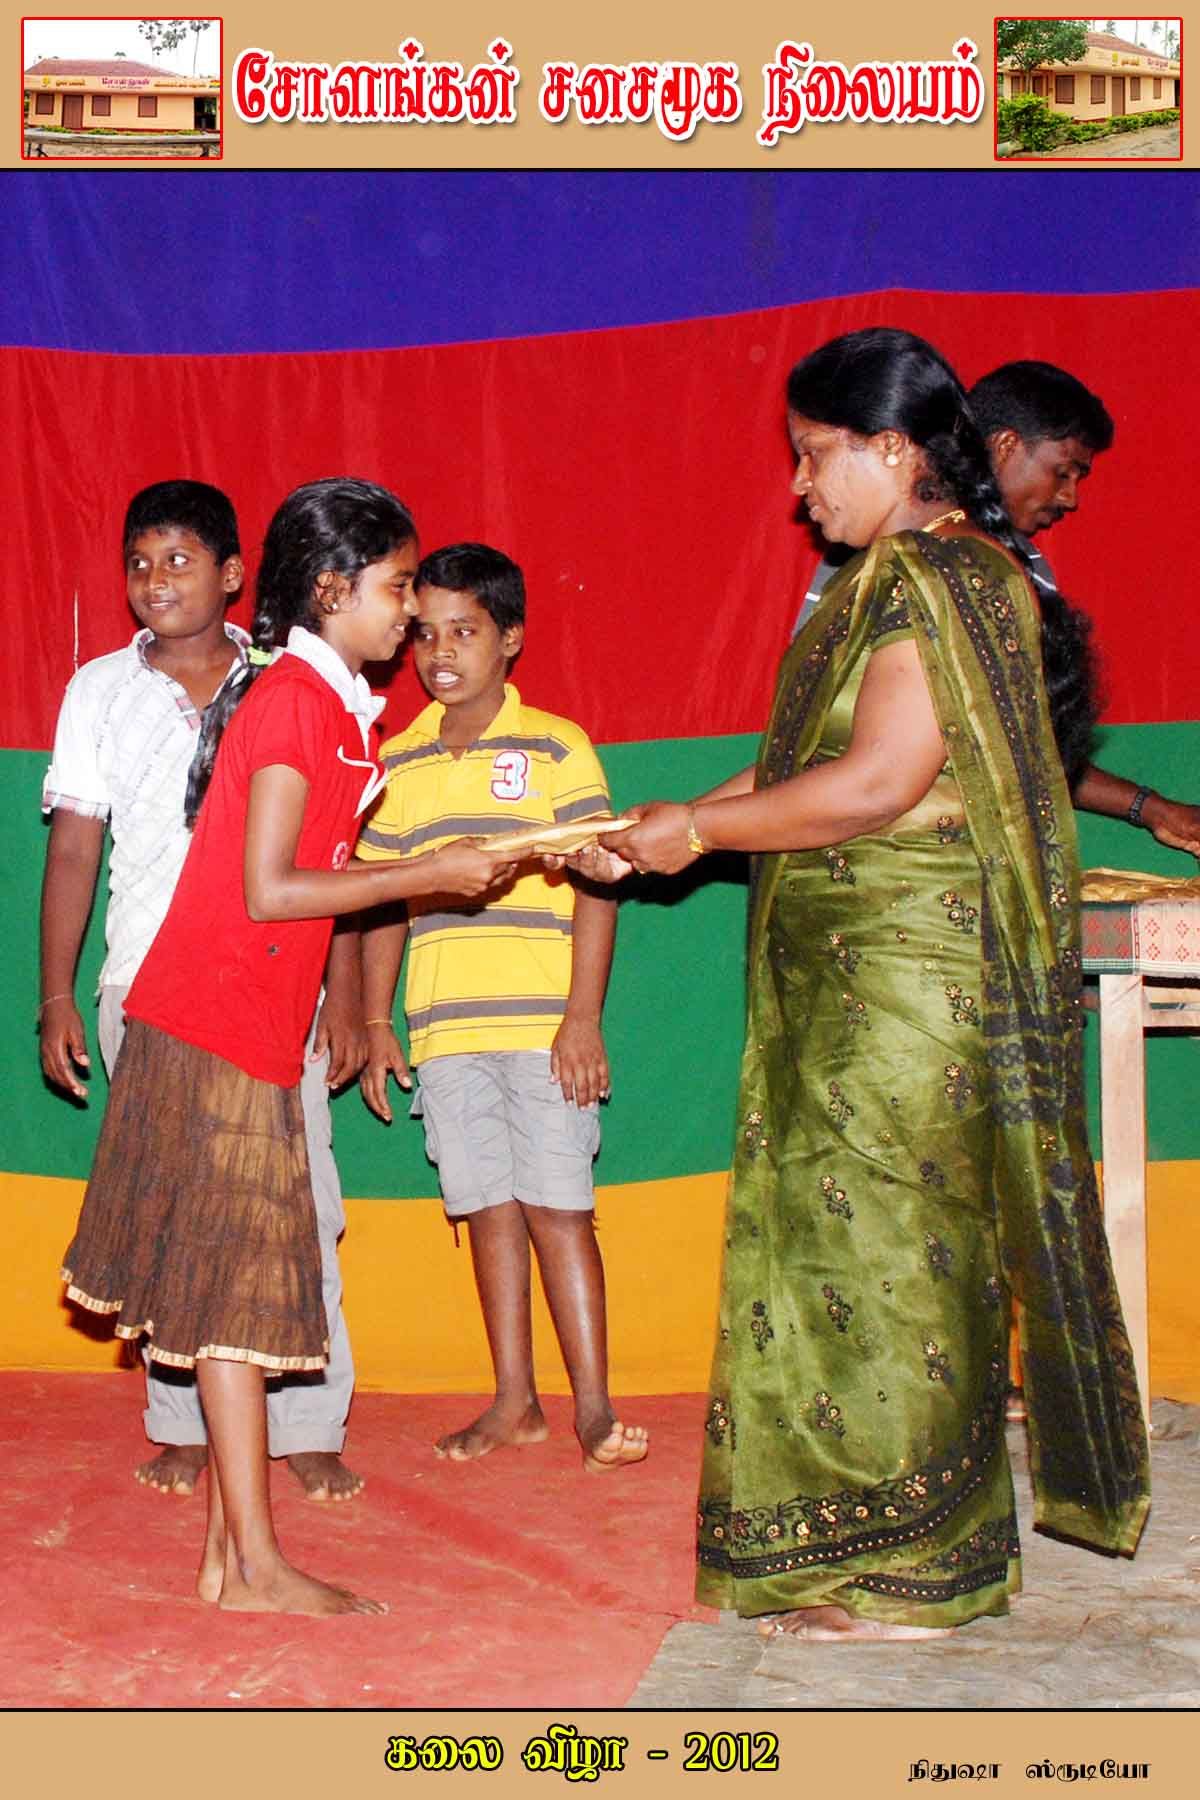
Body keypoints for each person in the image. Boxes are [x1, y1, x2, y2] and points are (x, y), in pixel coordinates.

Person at [591, 328, 1149, 1638]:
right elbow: (807, 760)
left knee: (893, 1258)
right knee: (845, 1249)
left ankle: (911, 1573)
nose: (798, 487)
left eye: (813, 455)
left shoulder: (947, 578)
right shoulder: (900, 580)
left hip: (908, 989)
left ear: (894, 451)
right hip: (853, 987)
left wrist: (701, 833)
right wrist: (669, 821)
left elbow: (883, 782)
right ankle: (868, 1549)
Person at [60, 479, 513, 1615]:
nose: (411, 611)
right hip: (214, 1019)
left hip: (249, 1022)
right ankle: (256, 1565)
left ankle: (231, 1557)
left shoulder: (325, 701)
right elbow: (271, 888)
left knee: (235, 1293)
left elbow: (304, 877)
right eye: (396, 587)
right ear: (331, 590)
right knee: (232, 1301)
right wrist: (428, 874)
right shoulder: (298, 703)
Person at [40, 480, 365, 1505]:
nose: (154, 581)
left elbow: (335, 851)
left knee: (297, 1205)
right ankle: (183, 1423)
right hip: (143, 981)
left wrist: (350, 998)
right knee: (169, 1213)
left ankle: (309, 1422)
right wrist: (57, 995)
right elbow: (75, 849)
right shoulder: (98, 690)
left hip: (272, 988)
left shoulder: (289, 683)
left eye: (178, 561)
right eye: (138, 563)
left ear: (232, 575)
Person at [356, 542, 647, 1472]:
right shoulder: (395, 762)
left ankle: (594, 1407)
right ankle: (515, 1401)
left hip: (542, 1027)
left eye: (465, 632)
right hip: (445, 1029)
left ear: (510, 638)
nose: (440, 653)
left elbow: (599, 880)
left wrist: (582, 1016)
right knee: (485, 1209)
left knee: (559, 1207)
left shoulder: (556, 745)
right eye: (424, 635)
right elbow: (381, 901)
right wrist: (375, 1021)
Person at [795, 359, 1200, 854]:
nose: (1070, 498)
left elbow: (1024, 746)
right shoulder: (867, 555)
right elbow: (830, 745)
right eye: (1063, 472)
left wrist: (1152, 808)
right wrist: (708, 826)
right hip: (871, 861)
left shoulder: (1024, 569)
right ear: (1006, 446)